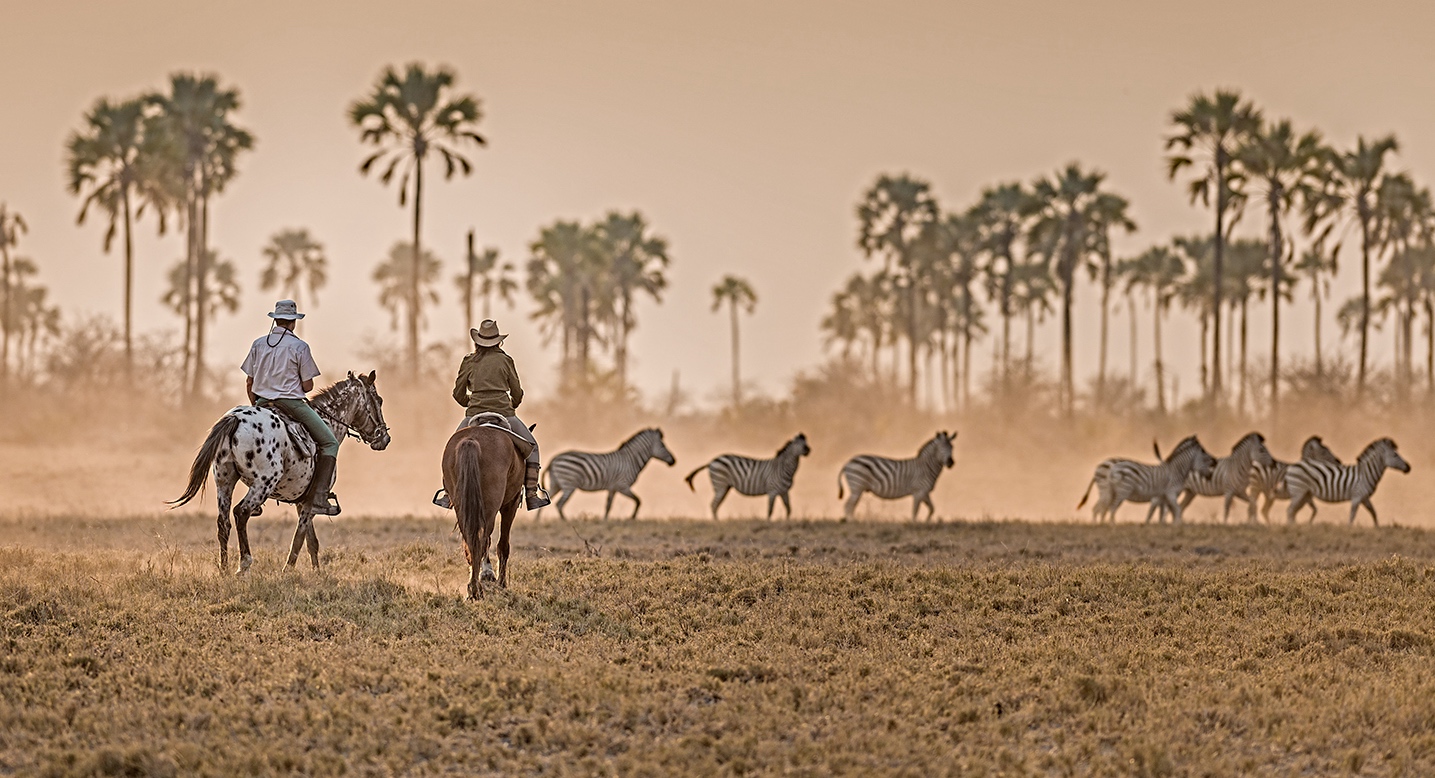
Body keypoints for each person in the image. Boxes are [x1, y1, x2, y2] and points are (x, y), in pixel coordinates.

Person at [434, 319, 550, 510]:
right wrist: (511, 405)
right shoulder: (506, 360)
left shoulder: (469, 361)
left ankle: (447, 493)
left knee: (451, 449)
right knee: (532, 446)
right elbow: (517, 392)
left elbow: (458, 393)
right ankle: (531, 493)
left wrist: (471, 403)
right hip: (505, 412)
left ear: (478, 341)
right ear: (498, 341)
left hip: (473, 414)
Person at [240, 299, 341, 516]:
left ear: (275, 319)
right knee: (330, 442)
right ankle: (320, 497)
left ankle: (255, 496)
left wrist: (256, 407)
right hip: (291, 404)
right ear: (293, 323)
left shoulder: (258, 344)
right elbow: (307, 386)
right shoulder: (300, 347)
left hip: (261, 404)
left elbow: (249, 382)